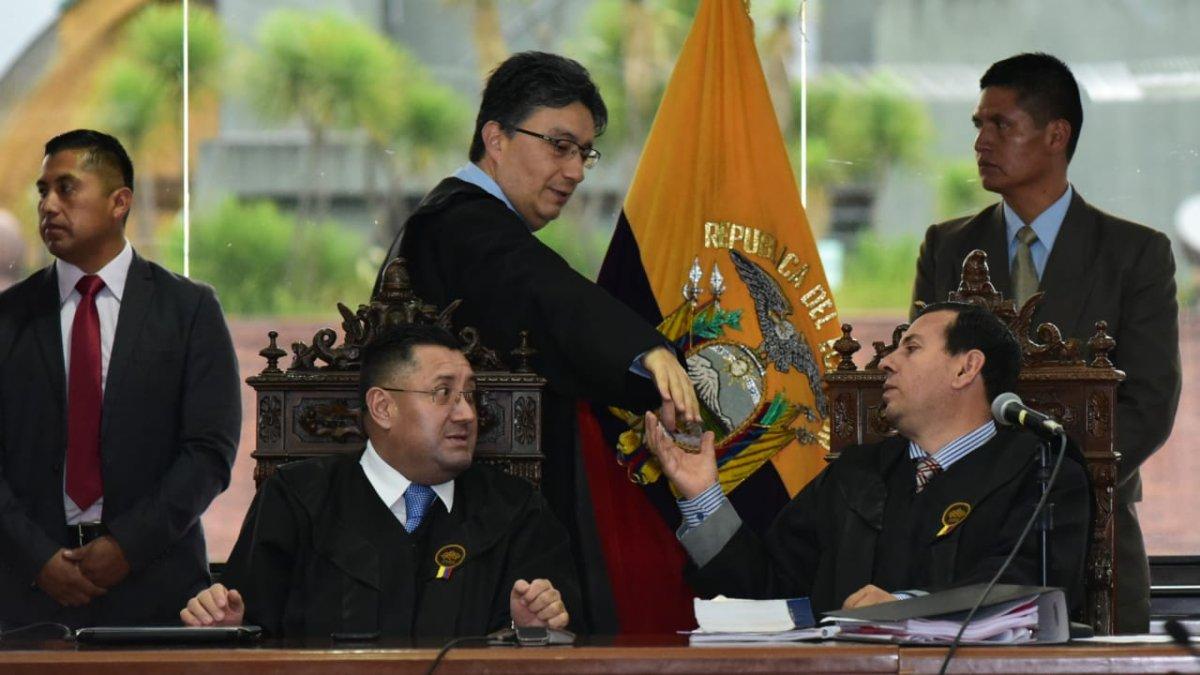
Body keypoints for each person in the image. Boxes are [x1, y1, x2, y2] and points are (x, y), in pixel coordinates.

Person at [374, 51, 698, 632]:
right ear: (495, 137)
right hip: (465, 528)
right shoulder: (460, 223)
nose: (575, 170)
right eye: (559, 145)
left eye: (585, 153)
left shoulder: (472, 224)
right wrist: (640, 351)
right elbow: (543, 294)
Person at [911, 53, 1180, 632]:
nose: (981, 141)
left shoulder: (1136, 254)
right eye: (978, 125)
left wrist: (1053, 482)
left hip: (1094, 544)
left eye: (1000, 125)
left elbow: (1151, 403)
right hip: (961, 545)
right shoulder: (947, 247)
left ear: (1057, 135)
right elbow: (919, 387)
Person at [645, 302, 1091, 613]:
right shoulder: (857, 475)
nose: (886, 363)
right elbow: (767, 589)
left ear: (965, 368)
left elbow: (1024, 599)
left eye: (910, 348)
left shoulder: (1042, 472)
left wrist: (903, 612)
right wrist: (703, 495)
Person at [181, 324, 577, 637]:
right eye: (444, 393)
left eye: (470, 396)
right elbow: (249, 627)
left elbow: (561, 636)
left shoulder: (515, 509)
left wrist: (531, 631)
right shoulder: (297, 498)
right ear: (383, 407)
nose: (467, 415)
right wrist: (225, 629)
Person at [0, 130, 241, 627]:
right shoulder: (9, 316)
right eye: (41, 191)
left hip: (158, 584)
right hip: (26, 592)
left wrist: (127, 547)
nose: (47, 205)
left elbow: (209, 452)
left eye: (66, 188)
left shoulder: (189, 309)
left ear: (119, 202)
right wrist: (38, 558)